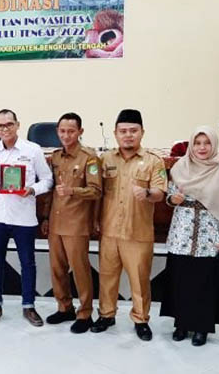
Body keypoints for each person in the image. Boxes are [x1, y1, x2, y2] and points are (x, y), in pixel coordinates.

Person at [91, 109, 166, 341]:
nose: (128, 135)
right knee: (107, 277)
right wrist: (95, 219)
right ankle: (106, 315)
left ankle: (141, 320)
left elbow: (160, 192)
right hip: (110, 230)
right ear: (115, 133)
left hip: (138, 232)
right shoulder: (105, 159)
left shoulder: (153, 161)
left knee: (140, 280)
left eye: (133, 131)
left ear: (142, 132)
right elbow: (98, 192)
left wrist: (147, 193)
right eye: (123, 131)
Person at [0, 109, 53, 327]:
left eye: (9, 124)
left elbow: (47, 180)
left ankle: (29, 305)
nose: (5, 129)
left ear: (18, 125)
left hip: (24, 217)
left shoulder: (33, 150)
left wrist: (33, 189)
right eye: (1, 125)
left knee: (28, 263)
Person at [160, 127, 219, 346]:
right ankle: (181, 324)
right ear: (191, 145)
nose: (202, 148)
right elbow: (170, 196)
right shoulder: (180, 167)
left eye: (207, 143)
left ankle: (202, 327)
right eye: (197, 143)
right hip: (182, 233)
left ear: (214, 145)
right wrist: (172, 200)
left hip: (209, 234)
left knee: (204, 282)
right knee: (181, 280)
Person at [40, 112, 101, 333]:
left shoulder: (89, 158)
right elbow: (51, 191)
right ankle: (64, 307)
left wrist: (73, 191)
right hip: (56, 221)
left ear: (80, 132)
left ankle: (85, 313)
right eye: (62, 131)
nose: (66, 136)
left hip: (76, 223)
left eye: (71, 131)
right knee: (57, 269)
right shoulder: (55, 157)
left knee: (80, 270)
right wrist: (46, 217)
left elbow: (96, 191)